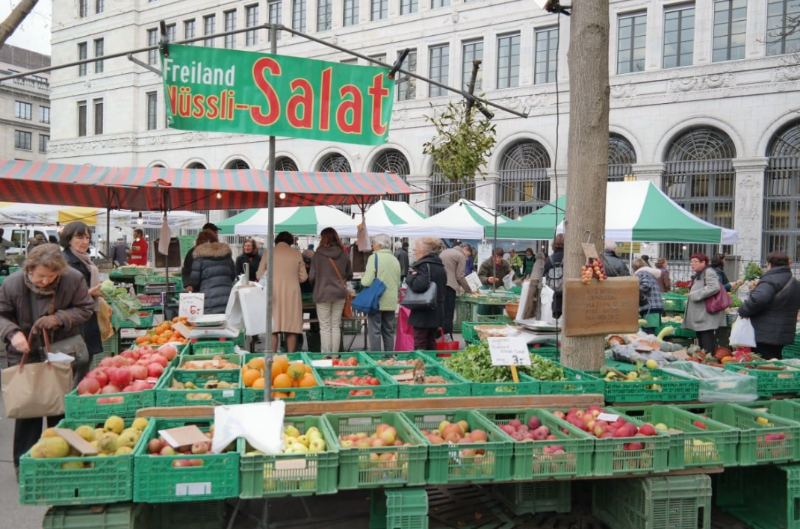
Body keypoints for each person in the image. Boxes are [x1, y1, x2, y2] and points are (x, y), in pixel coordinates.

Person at [0, 244, 94, 471]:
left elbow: (85, 308)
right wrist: (12, 333)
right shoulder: (12, 284)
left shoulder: (73, 279)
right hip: (25, 353)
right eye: (41, 276)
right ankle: (25, 467)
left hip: (61, 351)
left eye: (52, 277)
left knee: (59, 407)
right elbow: (1, 315)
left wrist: (60, 318)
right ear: (30, 269)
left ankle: (61, 464)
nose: (45, 281)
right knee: (28, 410)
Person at [59, 222, 104, 382]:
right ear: (68, 239)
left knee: (85, 362)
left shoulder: (85, 260)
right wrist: (91, 292)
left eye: (87, 237)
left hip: (86, 318)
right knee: (76, 364)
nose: (85, 241)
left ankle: (76, 393)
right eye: (79, 237)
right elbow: (64, 296)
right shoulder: (65, 263)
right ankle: (71, 395)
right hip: (74, 322)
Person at [738, 251, 800, 359]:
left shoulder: (769, 280)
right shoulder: (794, 282)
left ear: (770, 264)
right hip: (784, 331)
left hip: (765, 332)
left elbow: (759, 299)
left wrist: (743, 310)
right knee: (774, 361)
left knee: (763, 362)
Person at [256, 232, 306, 352]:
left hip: (272, 292)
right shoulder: (296, 253)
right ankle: (291, 355)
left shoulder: (268, 252)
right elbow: (303, 277)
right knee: (292, 327)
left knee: (273, 327)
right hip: (292, 293)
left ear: (276, 240)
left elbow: (259, 275)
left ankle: (272, 356)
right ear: (291, 242)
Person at [309, 228, 353, 353]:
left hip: (322, 293)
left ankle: (326, 355)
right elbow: (349, 274)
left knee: (325, 326)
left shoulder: (318, 255)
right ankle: (335, 355)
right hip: (339, 293)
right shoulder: (343, 254)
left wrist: (318, 283)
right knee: (335, 325)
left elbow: (311, 277)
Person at [361, 234, 401, 352]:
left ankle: (376, 357)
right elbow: (398, 281)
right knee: (389, 330)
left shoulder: (374, 258)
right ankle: (389, 356)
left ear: (379, 245)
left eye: (373, 243)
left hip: (376, 300)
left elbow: (367, 281)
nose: (372, 245)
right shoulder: (395, 259)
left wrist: (363, 278)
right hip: (391, 300)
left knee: (375, 331)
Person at [407, 237, 447, 350]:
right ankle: (431, 361)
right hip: (436, 309)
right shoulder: (440, 265)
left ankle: (421, 362)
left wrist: (410, 278)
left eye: (415, 250)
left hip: (423, 310)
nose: (414, 253)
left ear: (422, 251)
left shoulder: (424, 265)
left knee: (420, 342)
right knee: (430, 342)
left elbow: (420, 285)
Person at [682, 253, 726, 354]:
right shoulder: (700, 273)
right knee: (701, 338)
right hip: (701, 313)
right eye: (691, 262)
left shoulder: (708, 272)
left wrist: (694, 295)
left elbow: (714, 287)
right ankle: (704, 358)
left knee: (706, 338)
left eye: (695, 262)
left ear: (703, 262)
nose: (692, 264)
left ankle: (709, 359)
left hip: (706, 313)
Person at [188, 229, 236, 314]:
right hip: (228, 297)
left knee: (211, 320)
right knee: (227, 319)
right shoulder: (227, 257)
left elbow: (195, 281)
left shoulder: (199, 259)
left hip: (208, 298)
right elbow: (233, 276)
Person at [439, 243, 473, 338]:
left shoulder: (445, 252)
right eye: (468, 255)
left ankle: (439, 338)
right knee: (448, 315)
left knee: (440, 314)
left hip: (439, 286)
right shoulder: (460, 255)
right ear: (464, 249)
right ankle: (447, 338)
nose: (467, 258)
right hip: (449, 287)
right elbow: (460, 276)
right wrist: (469, 290)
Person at [182, 222, 219, 291]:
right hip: (199, 291)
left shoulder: (221, 252)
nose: (217, 235)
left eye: (216, 233)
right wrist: (188, 284)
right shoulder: (192, 253)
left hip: (215, 289)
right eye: (214, 233)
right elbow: (186, 271)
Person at [633, 258, 664, 335]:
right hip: (655, 307)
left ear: (634, 268)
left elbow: (646, 285)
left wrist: (635, 291)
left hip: (650, 307)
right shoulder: (648, 274)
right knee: (650, 332)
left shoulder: (641, 273)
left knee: (647, 333)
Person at [543, 234, 565, 319]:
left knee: (555, 320)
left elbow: (544, 273)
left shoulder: (550, 258)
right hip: (566, 294)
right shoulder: (569, 258)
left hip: (553, 295)